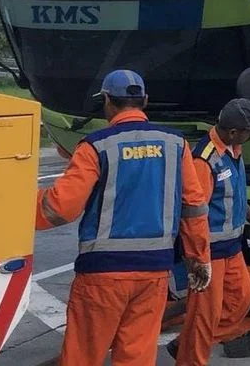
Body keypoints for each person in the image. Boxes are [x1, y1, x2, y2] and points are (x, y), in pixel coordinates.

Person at [36, 70, 212, 366]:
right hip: (154, 273)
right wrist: (199, 257)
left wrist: (17, 206)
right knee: (137, 355)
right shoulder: (175, 144)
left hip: (102, 275)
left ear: (107, 101)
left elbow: (61, 207)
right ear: (144, 100)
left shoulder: (95, 146)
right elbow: (194, 205)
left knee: (83, 355)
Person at [173, 98, 250, 365]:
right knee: (204, 316)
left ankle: (189, 341)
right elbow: (193, 213)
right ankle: (191, 355)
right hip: (210, 254)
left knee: (241, 299)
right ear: (234, 131)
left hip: (231, 248)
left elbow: (231, 192)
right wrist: (197, 259)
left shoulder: (234, 150)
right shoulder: (205, 160)